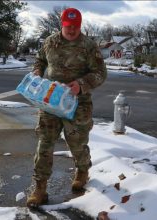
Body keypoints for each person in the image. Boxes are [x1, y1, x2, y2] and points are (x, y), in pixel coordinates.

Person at [27, 7, 107, 207]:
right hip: (51, 101)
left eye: (76, 26)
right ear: (62, 24)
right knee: (44, 143)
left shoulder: (89, 46)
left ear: (80, 26)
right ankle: (40, 187)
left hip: (77, 104)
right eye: (68, 26)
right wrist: (37, 71)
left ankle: (82, 170)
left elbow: (100, 73)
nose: (72, 30)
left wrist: (81, 85)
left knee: (77, 144)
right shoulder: (50, 42)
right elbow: (40, 60)